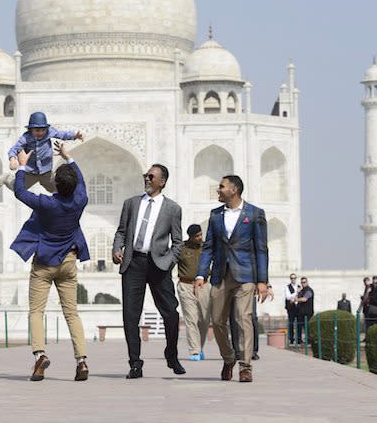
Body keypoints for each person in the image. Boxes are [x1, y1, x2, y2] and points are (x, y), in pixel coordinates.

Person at [10, 141, 91, 382]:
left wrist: (22, 167)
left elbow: (20, 192)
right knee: (72, 313)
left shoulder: (47, 203)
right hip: (68, 261)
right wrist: (69, 158)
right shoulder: (80, 201)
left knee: (36, 311)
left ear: (55, 183)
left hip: (45, 262)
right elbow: (82, 183)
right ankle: (82, 360)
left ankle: (40, 355)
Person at [112, 164, 185, 379]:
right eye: (146, 175)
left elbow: (178, 242)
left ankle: (171, 354)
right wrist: (117, 249)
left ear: (162, 181)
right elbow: (121, 232)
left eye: (151, 176)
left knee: (170, 313)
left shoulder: (172, 208)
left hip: (158, 265)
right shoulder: (131, 204)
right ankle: (135, 363)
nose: (147, 178)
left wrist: (168, 261)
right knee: (130, 316)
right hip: (133, 263)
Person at [194, 174, 268, 383]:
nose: (218, 190)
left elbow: (261, 249)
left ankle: (245, 366)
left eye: (221, 186)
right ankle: (229, 358)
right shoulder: (216, 215)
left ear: (234, 190)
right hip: (220, 275)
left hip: (245, 274)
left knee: (243, 318)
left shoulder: (254, 214)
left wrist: (262, 280)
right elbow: (208, 247)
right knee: (217, 321)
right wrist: (201, 274)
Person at [0, 111, 83, 191]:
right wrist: (12, 159)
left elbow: (61, 134)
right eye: (37, 130)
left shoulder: (49, 132)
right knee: (17, 188)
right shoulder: (26, 138)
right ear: (30, 130)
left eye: (43, 130)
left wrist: (74, 136)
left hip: (46, 171)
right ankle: (7, 178)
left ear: (46, 129)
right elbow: (14, 149)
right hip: (30, 171)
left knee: (56, 189)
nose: (41, 133)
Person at [176, 224, 211, 361]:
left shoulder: (207, 248)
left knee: (204, 319)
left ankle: (200, 347)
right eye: (197, 236)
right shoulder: (182, 249)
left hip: (204, 286)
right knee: (191, 319)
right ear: (190, 236)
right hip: (186, 285)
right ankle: (194, 350)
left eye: (200, 235)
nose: (200, 238)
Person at [295, 277, 314, 343]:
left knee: (307, 327)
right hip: (301, 313)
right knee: (299, 327)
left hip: (307, 313)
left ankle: (309, 341)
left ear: (307, 282)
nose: (303, 284)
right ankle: (299, 340)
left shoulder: (309, 290)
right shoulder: (302, 291)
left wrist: (296, 299)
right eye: (302, 282)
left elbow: (304, 299)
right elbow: (298, 298)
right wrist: (298, 292)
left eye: (304, 282)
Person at [284, 273, 301, 345]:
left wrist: (293, 297)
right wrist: (296, 293)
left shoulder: (299, 286)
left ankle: (299, 339)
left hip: (298, 307)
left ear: (296, 278)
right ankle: (291, 339)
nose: (293, 279)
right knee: (291, 323)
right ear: (290, 279)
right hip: (291, 308)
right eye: (292, 278)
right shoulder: (287, 287)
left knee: (299, 324)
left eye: (294, 278)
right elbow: (288, 297)